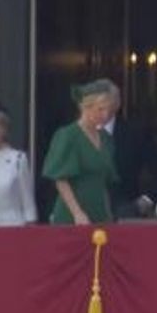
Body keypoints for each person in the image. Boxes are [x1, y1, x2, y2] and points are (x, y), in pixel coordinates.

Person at [99, 79, 157, 220]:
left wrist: (145, 201)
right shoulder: (73, 134)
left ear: (117, 104)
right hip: (80, 216)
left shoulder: (136, 134)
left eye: (105, 100)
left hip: (123, 214)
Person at [42, 80, 119, 225]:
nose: (105, 115)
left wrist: (108, 214)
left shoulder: (105, 138)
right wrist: (77, 213)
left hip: (99, 212)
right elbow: (61, 179)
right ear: (86, 107)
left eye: (108, 110)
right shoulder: (68, 135)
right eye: (100, 109)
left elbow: (105, 182)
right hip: (72, 214)